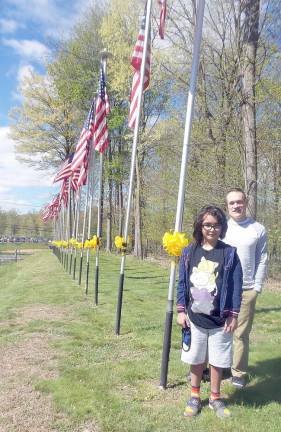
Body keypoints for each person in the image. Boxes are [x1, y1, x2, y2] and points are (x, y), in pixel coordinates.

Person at [177, 205, 242, 418]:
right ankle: (194, 396)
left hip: (219, 320)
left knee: (218, 361)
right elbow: (182, 285)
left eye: (216, 225)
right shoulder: (189, 252)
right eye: (207, 225)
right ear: (200, 226)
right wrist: (181, 311)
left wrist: (232, 314)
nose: (212, 229)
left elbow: (235, 286)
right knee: (196, 359)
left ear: (222, 227)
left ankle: (215, 397)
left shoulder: (229, 253)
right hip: (195, 318)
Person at [224, 188, 268, 388]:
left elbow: (262, 259)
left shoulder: (258, 229)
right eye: (232, 203)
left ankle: (238, 372)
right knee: (216, 330)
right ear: (227, 206)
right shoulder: (221, 228)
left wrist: (256, 287)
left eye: (239, 202)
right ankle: (216, 366)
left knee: (240, 333)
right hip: (222, 288)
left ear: (246, 202)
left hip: (246, 289)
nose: (236, 206)